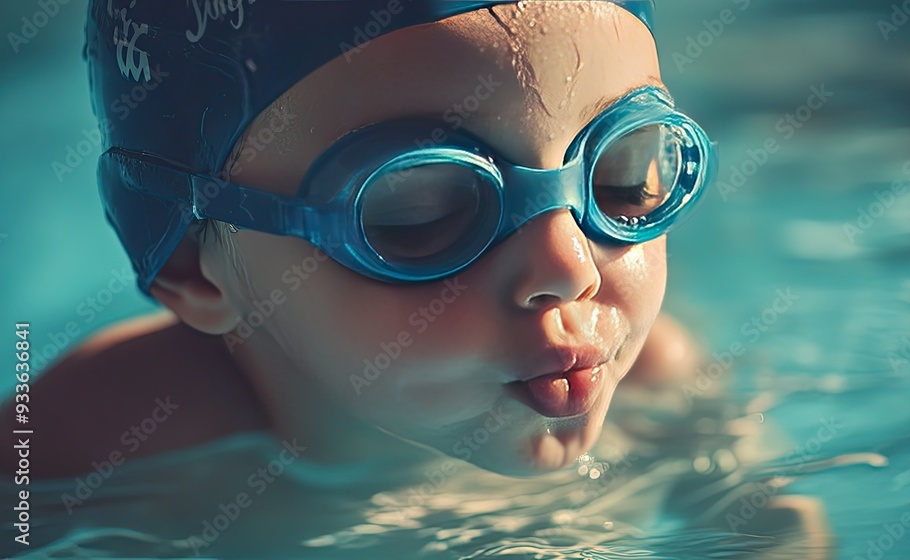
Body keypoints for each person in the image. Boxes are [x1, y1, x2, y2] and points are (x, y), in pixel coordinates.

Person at [2, 0, 715, 479]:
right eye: (419, 212)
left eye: (624, 174)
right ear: (195, 266)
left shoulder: (659, 377)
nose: (569, 269)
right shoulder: (84, 446)